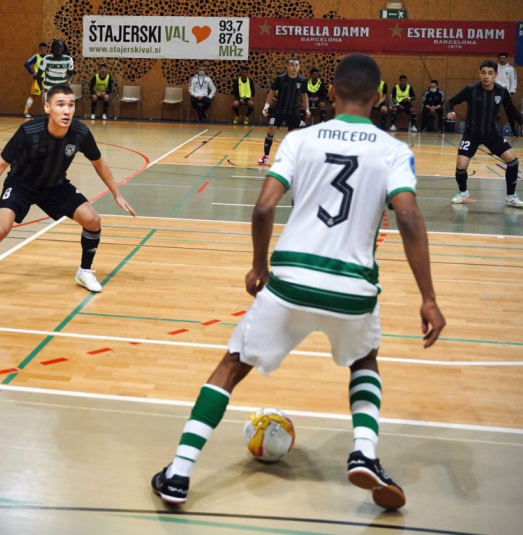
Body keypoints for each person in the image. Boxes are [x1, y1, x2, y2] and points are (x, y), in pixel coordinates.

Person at [151, 53, 445, 511]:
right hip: (353, 287)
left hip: (290, 280)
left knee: (231, 366)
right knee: (364, 359)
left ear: (329, 93)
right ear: (381, 96)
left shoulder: (300, 139)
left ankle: (179, 473)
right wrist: (428, 297)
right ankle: (364, 453)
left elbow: (264, 207)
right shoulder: (393, 150)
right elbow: (407, 215)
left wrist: (258, 265)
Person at [0, 85, 135, 305]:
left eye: (71, 105)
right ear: (47, 107)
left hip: (54, 186)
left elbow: (99, 163)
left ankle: (84, 271)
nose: (67, 111)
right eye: (60, 105)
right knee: (1, 228)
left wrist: (117, 194)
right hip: (21, 185)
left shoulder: (81, 133)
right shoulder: (29, 132)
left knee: (93, 220)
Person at [445, 60, 523, 208]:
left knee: (513, 162)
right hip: (471, 134)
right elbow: (450, 102)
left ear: (496, 75)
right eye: (483, 73)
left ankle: (511, 196)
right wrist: (450, 111)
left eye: (490, 73)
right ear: (479, 74)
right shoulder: (470, 90)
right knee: (461, 167)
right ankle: (462, 192)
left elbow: (511, 109)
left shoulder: (501, 91)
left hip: (492, 134)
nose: (486, 76)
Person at [258, 58, 310, 165]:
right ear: (287, 66)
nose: (294, 67)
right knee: (271, 130)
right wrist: (266, 106)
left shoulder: (302, 80)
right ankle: (266, 156)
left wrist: (307, 108)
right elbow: (271, 92)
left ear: (299, 67)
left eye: (296, 65)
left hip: (293, 111)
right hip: (279, 110)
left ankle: (292, 159)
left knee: (294, 136)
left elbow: (304, 95)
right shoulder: (280, 79)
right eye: (292, 65)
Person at [23, 42, 48, 118]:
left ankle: (50, 114)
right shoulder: (36, 57)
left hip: (46, 80)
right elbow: (26, 64)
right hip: (38, 80)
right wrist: (33, 73)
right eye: (42, 49)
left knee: (48, 97)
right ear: (39, 49)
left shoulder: (48, 58)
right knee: (33, 96)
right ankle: (26, 111)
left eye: (45, 49)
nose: (43, 50)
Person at [496, 53, 519, 136]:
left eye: (504, 58)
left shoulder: (510, 69)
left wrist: (512, 92)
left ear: (506, 59)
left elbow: (514, 80)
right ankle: (494, 129)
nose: (502, 59)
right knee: (494, 111)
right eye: (501, 58)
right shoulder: (495, 67)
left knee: (510, 112)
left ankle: (513, 129)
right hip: (496, 92)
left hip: (506, 92)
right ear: (498, 59)